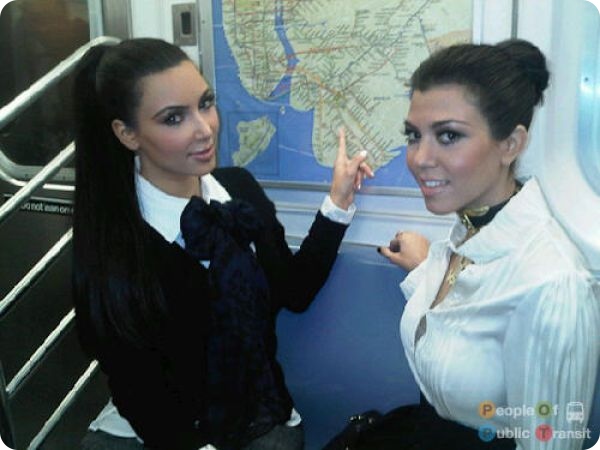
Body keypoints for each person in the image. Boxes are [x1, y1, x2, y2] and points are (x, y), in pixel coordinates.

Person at [71, 38, 373, 450]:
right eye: (174, 118)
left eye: (206, 103)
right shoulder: (118, 243)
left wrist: (338, 201)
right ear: (128, 134)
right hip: (162, 431)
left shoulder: (238, 190)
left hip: (261, 418)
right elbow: (138, 389)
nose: (205, 128)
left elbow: (295, 290)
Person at [338, 39, 600, 449]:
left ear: (511, 145)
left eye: (448, 135)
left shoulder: (553, 285)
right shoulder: (465, 236)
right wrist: (426, 269)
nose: (419, 158)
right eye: (414, 135)